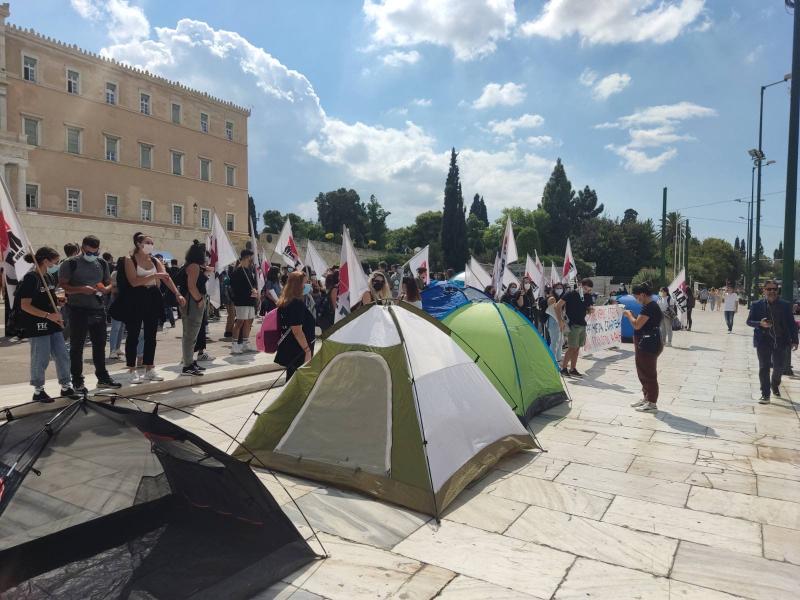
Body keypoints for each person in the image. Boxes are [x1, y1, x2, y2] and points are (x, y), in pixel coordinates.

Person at [58, 235, 121, 392]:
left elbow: (108, 283)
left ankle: (102, 377)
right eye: (89, 252)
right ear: (82, 248)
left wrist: (106, 289)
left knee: (100, 344)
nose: (92, 255)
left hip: (98, 308)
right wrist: (81, 289)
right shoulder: (70, 263)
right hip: (77, 309)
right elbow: (63, 286)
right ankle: (77, 380)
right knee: (77, 346)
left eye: (95, 252)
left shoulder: (101, 263)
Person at [123, 233, 185, 383]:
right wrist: (154, 275)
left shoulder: (155, 260)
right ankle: (131, 369)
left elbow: (166, 277)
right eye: (147, 242)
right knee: (133, 334)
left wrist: (177, 294)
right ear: (138, 244)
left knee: (151, 335)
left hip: (152, 297)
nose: (151, 244)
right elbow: (134, 281)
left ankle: (149, 368)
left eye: (152, 242)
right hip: (136, 297)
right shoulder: (129, 259)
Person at [19, 247, 78, 402]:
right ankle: (38, 391)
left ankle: (66, 386)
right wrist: (48, 315)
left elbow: (50, 298)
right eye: (55, 261)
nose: (56, 264)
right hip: (37, 325)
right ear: (46, 261)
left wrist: (59, 302)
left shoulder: (49, 277)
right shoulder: (31, 278)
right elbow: (25, 305)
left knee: (62, 355)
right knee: (41, 358)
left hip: (53, 323)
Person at [746, 280, 799, 404]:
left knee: (779, 368)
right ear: (764, 290)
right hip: (763, 340)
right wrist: (760, 323)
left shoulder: (785, 305)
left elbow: (792, 324)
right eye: (769, 289)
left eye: (774, 289)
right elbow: (749, 321)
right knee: (764, 367)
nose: (772, 291)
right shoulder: (756, 304)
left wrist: (795, 340)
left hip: (781, 341)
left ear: (777, 290)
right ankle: (765, 394)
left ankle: (774, 384)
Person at [623, 282, 663, 413]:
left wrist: (629, 315)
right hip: (648, 342)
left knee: (648, 373)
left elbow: (637, 325)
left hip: (647, 343)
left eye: (636, 297)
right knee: (643, 371)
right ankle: (647, 398)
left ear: (642, 294)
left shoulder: (649, 307)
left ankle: (652, 402)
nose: (636, 299)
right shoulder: (650, 305)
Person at [275, 271, 315, 380]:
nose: (307, 285)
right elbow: (297, 330)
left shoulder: (286, 301)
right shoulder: (296, 304)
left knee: (291, 379)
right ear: (298, 285)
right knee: (297, 381)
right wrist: (307, 350)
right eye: (305, 283)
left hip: (290, 347)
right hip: (298, 350)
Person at [179, 241, 209, 376]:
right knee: (190, 334)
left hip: (191, 301)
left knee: (192, 334)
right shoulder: (194, 266)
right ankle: (187, 365)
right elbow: (192, 286)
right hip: (193, 302)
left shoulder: (192, 265)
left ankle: (190, 361)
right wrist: (199, 299)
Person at [557, 278, 594, 377]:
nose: (587, 291)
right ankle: (564, 369)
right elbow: (558, 306)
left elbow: (588, 309)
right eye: (586, 289)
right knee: (572, 347)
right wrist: (560, 320)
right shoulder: (570, 294)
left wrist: (590, 310)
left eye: (589, 290)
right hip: (572, 324)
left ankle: (573, 368)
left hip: (582, 324)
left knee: (577, 348)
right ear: (580, 285)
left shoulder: (588, 296)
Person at [230, 249, 259, 354]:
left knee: (249, 321)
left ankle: (245, 344)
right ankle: (234, 345)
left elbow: (252, 284)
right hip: (241, 301)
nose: (253, 259)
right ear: (247, 257)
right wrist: (249, 292)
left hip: (250, 301)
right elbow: (236, 288)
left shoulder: (249, 270)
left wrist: (254, 290)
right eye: (251, 257)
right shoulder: (238, 271)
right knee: (240, 322)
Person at [546, 284, 566, 362]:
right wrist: (560, 321)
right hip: (553, 321)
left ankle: (558, 359)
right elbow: (554, 311)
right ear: (553, 289)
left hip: (560, 320)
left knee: (560, 341)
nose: (559, 289)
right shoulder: (552, 298)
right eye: (557, 288)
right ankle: (552, 360)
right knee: (555, 342)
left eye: (561, 288)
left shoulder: (563, 298)